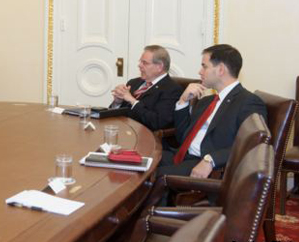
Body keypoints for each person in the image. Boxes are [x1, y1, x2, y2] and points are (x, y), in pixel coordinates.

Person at [157, 44, 267, 178]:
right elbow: (182, 138)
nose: (200, 72)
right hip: (181, 156)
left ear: (220, 70)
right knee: (139, 163)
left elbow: (251, 144)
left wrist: (211, 160)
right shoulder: (206, 101)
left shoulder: (248, 102)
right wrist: (183, 102)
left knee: (150, 176)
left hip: (205, 164)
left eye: (204, 66)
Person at [110, 45, 183, 131]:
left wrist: (132, 101)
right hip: (123, 131)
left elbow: (158, 122)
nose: (139, 65)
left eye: (145, 63)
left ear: (159, 66)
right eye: (140, 61)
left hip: (146, 137)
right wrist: (117, 103)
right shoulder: (133, 82)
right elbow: (117, 115)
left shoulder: (172, 90)